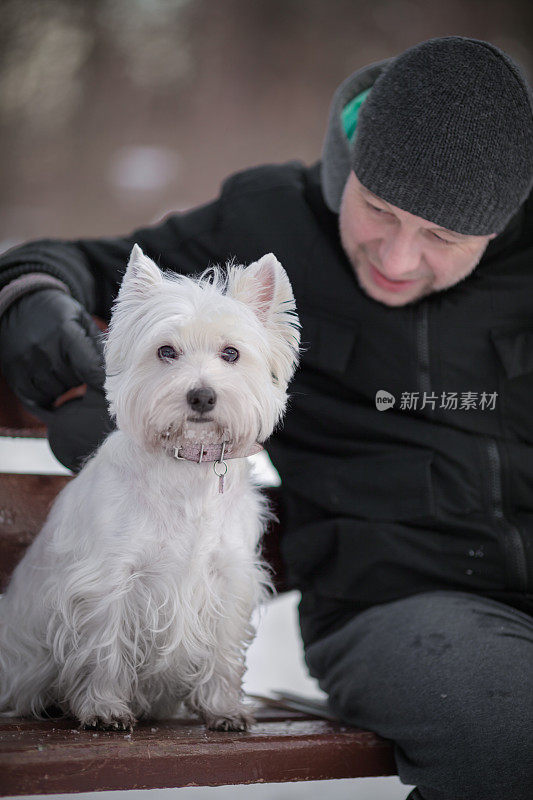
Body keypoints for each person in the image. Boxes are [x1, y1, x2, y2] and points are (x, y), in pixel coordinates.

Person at [1, 36, 532, 800]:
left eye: (443, 239)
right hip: (401, 606)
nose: (397, 257)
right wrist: (30, 299)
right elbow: (77, 260)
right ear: (350, 166)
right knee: (508, 729)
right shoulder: (269, 217)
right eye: (377, 209)